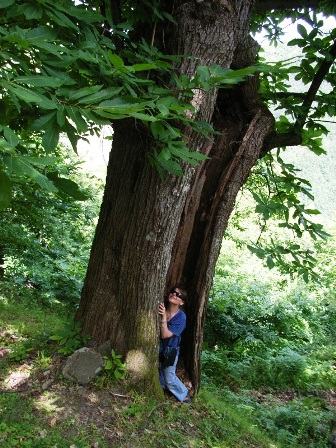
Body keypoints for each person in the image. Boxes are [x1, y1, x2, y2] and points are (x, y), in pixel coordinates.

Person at [158, 286, 191, 403]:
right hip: (158, 347)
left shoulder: (181, 317)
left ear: (182, 302)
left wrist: (163, 318)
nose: (174, 295)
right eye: (173, 292)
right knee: (158, 369)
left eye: (178, 295)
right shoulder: (161, 307)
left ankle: (183, 394)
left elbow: (165, 335)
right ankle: (160, 389)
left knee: (169, 378)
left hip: (170, 350)